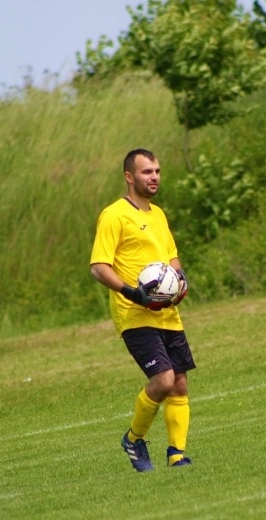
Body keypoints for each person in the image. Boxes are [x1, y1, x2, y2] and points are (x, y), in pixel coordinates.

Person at [90, 148, 195, 472]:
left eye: (158, 171)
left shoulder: (158, 215)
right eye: (147, 172)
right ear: (129, 176)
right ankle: (134, 439)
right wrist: (133, 294)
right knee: (163, 380)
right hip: (135, 314)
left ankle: (177, 454)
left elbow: (172, 259)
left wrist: (180, 283)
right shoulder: (114, 215)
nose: (154, 177)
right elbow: (98, 267)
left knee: (178, 383)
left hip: (167, 313)